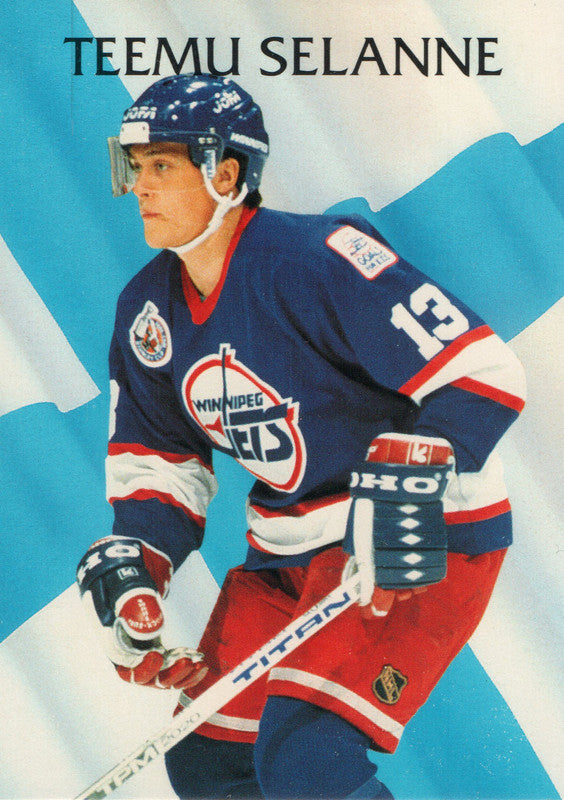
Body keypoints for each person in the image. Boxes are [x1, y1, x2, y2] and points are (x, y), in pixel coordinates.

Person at [76, 73, 526, 799]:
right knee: (209, 763)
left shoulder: (316, 258)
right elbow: (161, 465)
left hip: (413, 539)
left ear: (226, 174)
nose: (141, 187)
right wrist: (139, 566)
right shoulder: (147, 313)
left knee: (305, 757)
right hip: (289, 549)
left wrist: (416, 470)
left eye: (161, 164)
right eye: (135, 166)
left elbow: (482, 370)